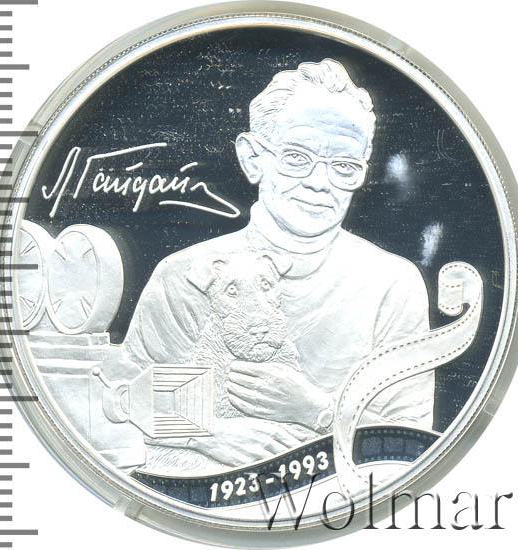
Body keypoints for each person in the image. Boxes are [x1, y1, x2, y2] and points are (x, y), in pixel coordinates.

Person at [122, 58, 435, 471]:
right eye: (296, 158)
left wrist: (312, 409)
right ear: (253, 158)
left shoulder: (391, 283)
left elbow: (410, 446)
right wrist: (211, 435)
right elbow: (122, 406)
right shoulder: (186, 276)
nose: (320, 183)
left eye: (344, 167)